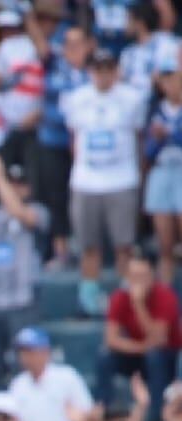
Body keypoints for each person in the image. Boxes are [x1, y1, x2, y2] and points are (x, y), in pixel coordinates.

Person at [65, 48, 147, 317]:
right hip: (86, 180)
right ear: (91, 71)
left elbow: (139, 137)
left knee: (124, 244)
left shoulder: (132, 99)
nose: (103, 74)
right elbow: (73, 138)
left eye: (108, 68)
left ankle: (126, 299)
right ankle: (88, 299)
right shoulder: (77, 99)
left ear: (115, 71)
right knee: (89, 245)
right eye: (97, 69)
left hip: (121, 178)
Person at [0, 155, 50, 379]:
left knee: (22, 368)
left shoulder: (39, 211)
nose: (13, 189)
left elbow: (20, 214)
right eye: (10, 184)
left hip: (21, 300)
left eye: (19, 184)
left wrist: (1, 179)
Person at [102, 251, 182, 421]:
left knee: (154, 355)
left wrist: (139, 305)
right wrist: (142, 347)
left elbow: (159, 339)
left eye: (142, 276)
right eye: (133, 276)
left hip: (167, 356)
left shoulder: (166, 296)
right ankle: (105, 413)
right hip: (139, 353)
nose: (137, 281)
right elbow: (111, 339)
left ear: (152, 276)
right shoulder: (119, 297)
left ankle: (156, 418)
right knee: (105, 356)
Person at [40, 25, 92, 265]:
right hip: (55, 141)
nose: (73, 50)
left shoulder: (96, 72)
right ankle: (61, 251)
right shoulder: (54, 70)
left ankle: (88, 248)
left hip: (88, 147)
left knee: (86, 196)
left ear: (88, 46)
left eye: (77, 44)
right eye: (68, 45)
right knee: (58, 196)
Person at [0, 8, 45, 167]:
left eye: (11, 28)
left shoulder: (31, 46)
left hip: (33, 117)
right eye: (3, 29)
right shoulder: (3, 49)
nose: (8, 32)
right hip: (7, 116)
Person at [146, 58, 182, 284]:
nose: (171, 84)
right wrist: (158, 140)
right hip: (162, 170)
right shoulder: (155, 109)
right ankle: (165, 299)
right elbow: (148, 152)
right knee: (165, 246)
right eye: (166, 80)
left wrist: (171, 134)